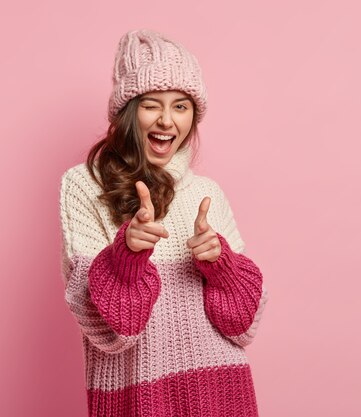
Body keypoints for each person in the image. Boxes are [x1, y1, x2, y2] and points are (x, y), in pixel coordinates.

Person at [58, 29, 269, 417]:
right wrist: (126, 258)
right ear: (127, 111)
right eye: (152, 105)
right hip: (139, 398)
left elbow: (244, 326)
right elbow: (107, 332)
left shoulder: (207, 191)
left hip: (222, 391)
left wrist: (221, 267)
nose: (167, 121)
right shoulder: (83, 185)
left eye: (181, 106)